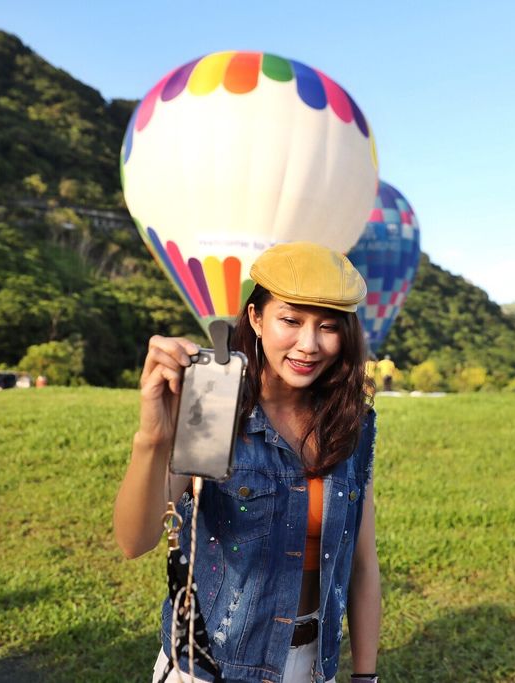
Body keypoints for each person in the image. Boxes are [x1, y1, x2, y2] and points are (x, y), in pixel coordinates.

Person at [114, 242, 382, 683]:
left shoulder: (351, 421)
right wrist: (152, 438)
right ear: (256, 318)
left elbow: (362, 562)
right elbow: (134, 540)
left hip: (313, 668)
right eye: (290, 320)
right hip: (212, 666)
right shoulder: (216, 407)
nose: (309, 345)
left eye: (329, 327)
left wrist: (365, 676)